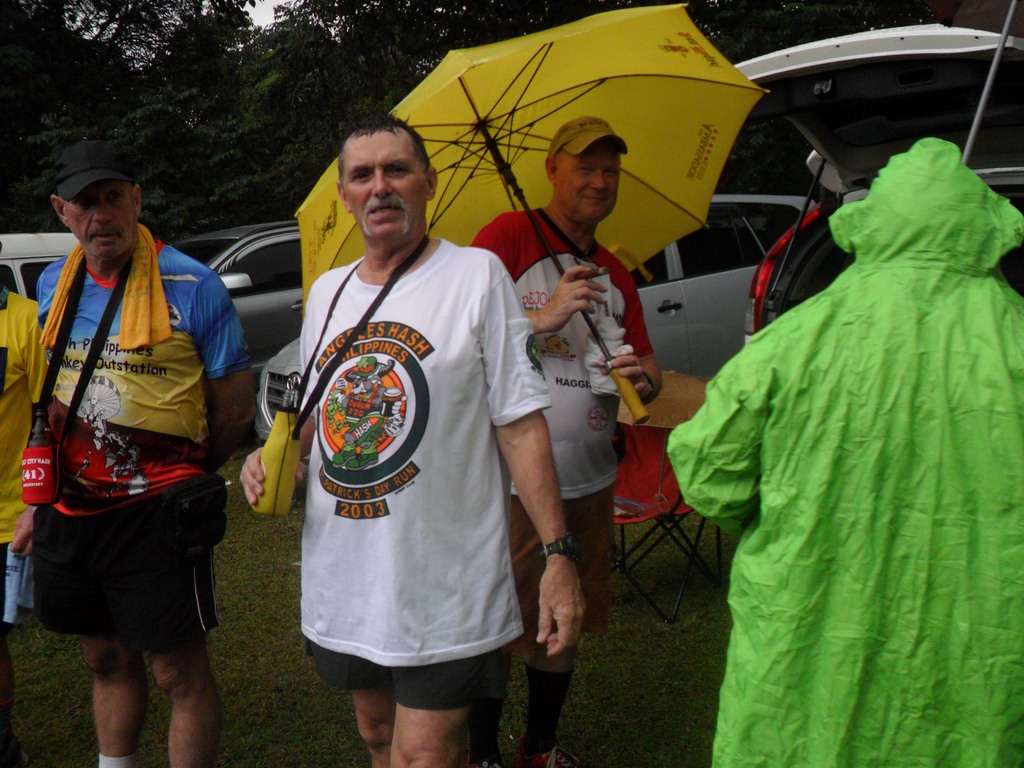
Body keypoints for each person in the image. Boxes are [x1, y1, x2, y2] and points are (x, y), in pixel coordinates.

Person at [239, 114, 585, 768]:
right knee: (377, 736)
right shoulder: (328, 294)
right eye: (362, 175)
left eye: (396, 169)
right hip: (346, 574)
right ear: (345, 195)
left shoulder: (476, 276)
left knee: (423, 754)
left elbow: (519, 424)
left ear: (429, 182)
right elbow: (319, 414)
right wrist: (273, 455)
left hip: (445, 579)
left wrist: (558, 554)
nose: (380, 187)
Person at [668, 137, 1024, 768]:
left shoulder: (794, 339)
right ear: (986, 229)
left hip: (811, 624)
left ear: (871, 224)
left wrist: (791, 520)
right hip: (979, 634)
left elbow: (710, 473)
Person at [26, 139, 254, 768]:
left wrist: (181, 478)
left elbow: (235, 409)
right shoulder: (53, 282)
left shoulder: (194, 284)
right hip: (71, 512)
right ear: (62, 211)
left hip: (156, 515)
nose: (101, 215)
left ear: (137, 200)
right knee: (103, 658)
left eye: (113, 197)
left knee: (177, 670)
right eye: (85, 203)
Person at [469, 116, 662, 768]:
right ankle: (481, 753)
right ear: (552, 169)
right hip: (514, 486)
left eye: (610, 171)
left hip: (591, 480)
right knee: (501, 622)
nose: (600, 182)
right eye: (585, 167)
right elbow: (462, 332)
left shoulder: (615, 272)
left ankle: (540, 745)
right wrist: (542, 316)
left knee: (565, 619)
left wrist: (640, 377)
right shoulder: (507, 237)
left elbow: (652, 372)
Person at [0, 282, 47, 768]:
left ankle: (3, 744)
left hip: (6, 518)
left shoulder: (26, 320)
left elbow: (49, 417)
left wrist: (37, 504)